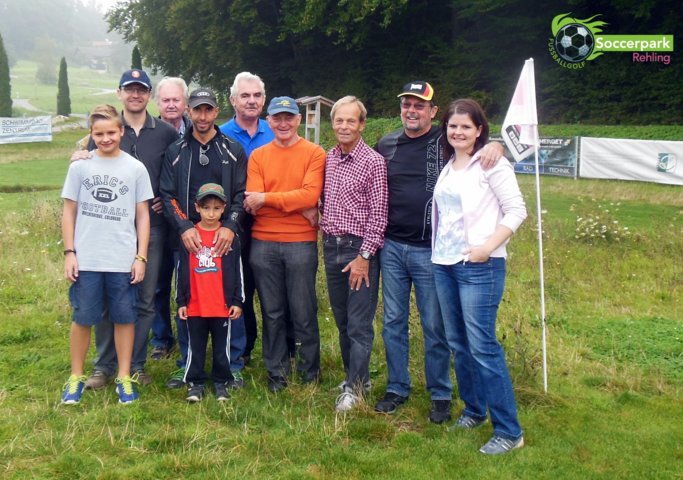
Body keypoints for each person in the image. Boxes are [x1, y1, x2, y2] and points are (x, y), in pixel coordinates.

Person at [374, 81, 503, 424]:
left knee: (435, 326)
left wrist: (499, 145)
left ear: (433, 112)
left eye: (420, 106)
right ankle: (397, 387)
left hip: (433, 251)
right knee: (393, 322)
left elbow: (481, 145)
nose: (412, 111)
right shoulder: (386, 143)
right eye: (407, 105)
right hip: (392, 246)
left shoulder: (446, 140)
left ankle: (441, 394)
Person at [432, 99, 526, 454]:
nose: (458, 132)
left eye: (466, 127)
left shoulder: (492, 162)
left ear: (479, 130)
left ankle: (509, 431)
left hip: (480, 266)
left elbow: (517, 210)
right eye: (453, 126)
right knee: (458, 344)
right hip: (444, 264)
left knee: (483, 347)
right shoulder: (449, 165)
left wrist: (487, 247)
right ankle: (474, 410)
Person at [76, 69, 178, 390]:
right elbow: (85, 164)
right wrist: (77, 154)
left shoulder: (165, 132)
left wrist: (165, 197)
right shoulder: (105, 130)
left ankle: (134, 364)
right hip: (110, 229)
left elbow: (175, 171)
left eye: (142, 90)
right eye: (129, 89)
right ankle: (104, 366)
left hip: (153, 227)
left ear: (149, 95)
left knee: (145, 299)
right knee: (109, 298)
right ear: (120, 92)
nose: (135, 95)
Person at [60, 105, 153, 405]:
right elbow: (69, 211)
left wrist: (140, 256)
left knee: (125, 318)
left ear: (122, 132)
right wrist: (69, 252)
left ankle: (124, 377)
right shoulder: (80, 168)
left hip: (122, 259)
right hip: (87, 259)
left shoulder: (135, 168)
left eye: (111, 132)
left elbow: (142, 216)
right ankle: (76, 376)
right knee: (83, 317)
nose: (105, 138)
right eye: (98, 134)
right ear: (91, 135)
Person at [159, 87, 248, 389]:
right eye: (197, 109)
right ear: (189, 111)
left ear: (216, 110)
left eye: (208, 109)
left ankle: (232, 365)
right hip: (188, 241)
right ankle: (187, 364)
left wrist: (231, 226)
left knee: (227, 299)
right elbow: (167, 194)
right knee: (187, 300)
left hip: (223, 238)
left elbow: (239, 194)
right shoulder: (176, 151)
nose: (202, 116)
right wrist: (183, 226)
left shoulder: (232, 149)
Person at [244, 96, 325, 392]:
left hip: (301, 243)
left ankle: (309, 372)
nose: (283, 124)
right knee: (272, 312)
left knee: (303, 311)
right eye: (277, 118)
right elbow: (252, 199)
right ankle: (276, 372)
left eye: (289, 117)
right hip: (263, 243)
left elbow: (309, 195)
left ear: (298, 120)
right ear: (269, 121)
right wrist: (294, 202)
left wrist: (268, 198)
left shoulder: (315, 153)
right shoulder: (258, 156)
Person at [219, 71, 296, 366]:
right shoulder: (222, 134)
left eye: (256, 96)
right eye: (245, 96)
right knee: (243, 285)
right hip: (237, 223)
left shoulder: (276, 129)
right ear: (233, 100)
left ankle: (286, 346)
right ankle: (247, 344)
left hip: (275, 220)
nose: (251, 101)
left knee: (278, 289)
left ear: (264, 100)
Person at [320, 96, 388, 412]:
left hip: (357, 249)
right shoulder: (330, 157)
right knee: (343, 319)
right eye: (339, 120)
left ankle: (356, 389)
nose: (344, 126)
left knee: (360, 322)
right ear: (332, 124)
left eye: (351, 121)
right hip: (331, 246)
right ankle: (354, 376)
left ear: (362, 124)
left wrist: (364, 257)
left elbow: (379, 216)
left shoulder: (373, 162)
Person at [177, 183, 244, 402]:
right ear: (197, 208)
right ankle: (195, 384)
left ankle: (221, 382)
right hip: (195, 305)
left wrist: (237, 301)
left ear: (224, 208)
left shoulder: (228, 237)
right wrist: (181, 302)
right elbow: (182, 271)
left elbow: (237, 270)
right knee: (195, 347)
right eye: (206, 208)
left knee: (221, 349)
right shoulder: (189, 236)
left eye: (216, 208)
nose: (211, 213)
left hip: (221, 305)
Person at [151, 76, 192, 361]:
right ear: (158, 103)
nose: (171, 105)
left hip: (187, 220)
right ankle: (161, 338)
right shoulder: (150, 131)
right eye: (166, 100)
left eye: (176, 99)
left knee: (186, 282)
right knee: (156, 281)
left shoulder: (198, 130)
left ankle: (189, 334)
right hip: (153, 219)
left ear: (185, 103)